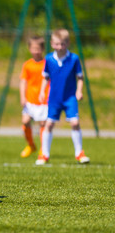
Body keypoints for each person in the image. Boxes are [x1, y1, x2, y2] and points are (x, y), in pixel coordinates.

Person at [36, 29, 90, 165]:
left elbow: (80, 77)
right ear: (52, 43)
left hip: (70, 97)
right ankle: (44, 154)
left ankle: (79, 153)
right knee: (49, 124)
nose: (59, 47)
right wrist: (42, 91)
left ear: (67, 43)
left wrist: (79, 91)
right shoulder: (48, 59)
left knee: (75, 123)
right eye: (56, 44)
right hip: (54, 98)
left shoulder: (74, 59)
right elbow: (45, 78)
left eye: (62, 44)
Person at [19, 36, 48, 158]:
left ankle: (43, 149)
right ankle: (31, 145)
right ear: (29, 49)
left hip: (44, 100)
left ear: (42, 49)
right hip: (30, 99)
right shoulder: (27, 65)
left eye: (38, 48)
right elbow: (23, 81)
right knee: (25, 122)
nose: (36, 51)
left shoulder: (47, 63)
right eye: (33, 48)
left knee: (43, 124)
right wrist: (22, 96)